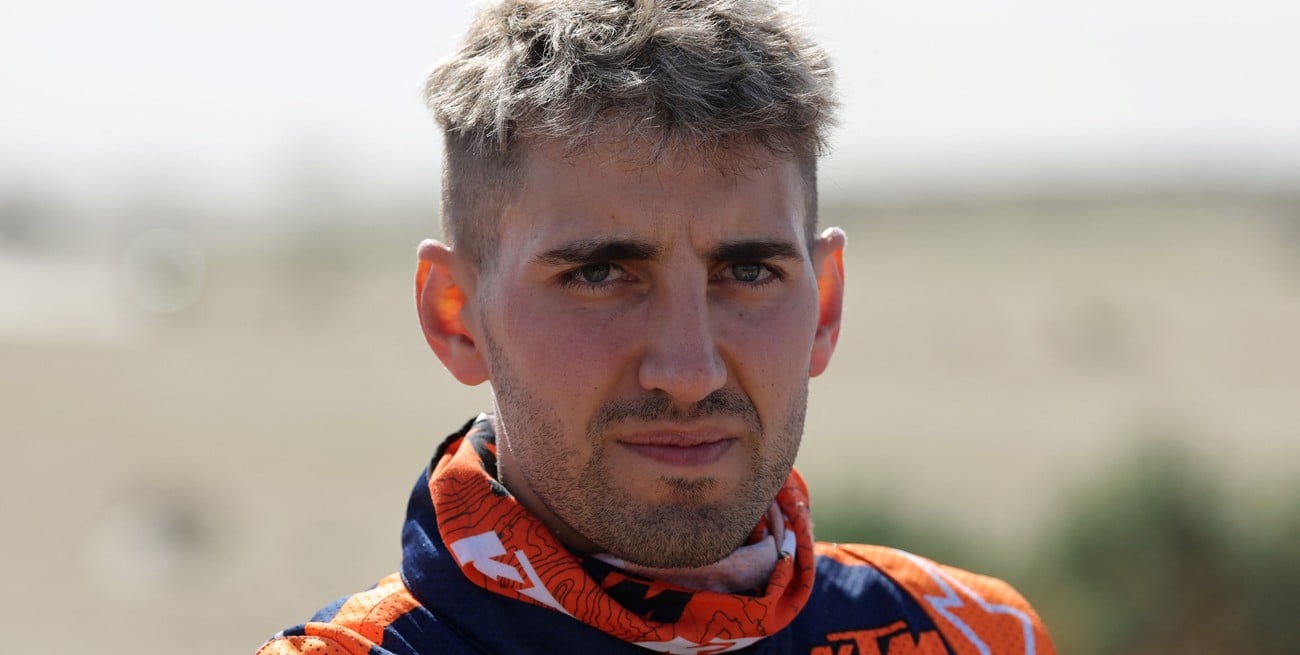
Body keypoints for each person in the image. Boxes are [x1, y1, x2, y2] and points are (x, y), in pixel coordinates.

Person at [257, 0, 1056, 653]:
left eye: (748, 272)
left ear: (826, 303)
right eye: (600, 274)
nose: (689, 370)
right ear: (455, 317)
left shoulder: (973, 636)